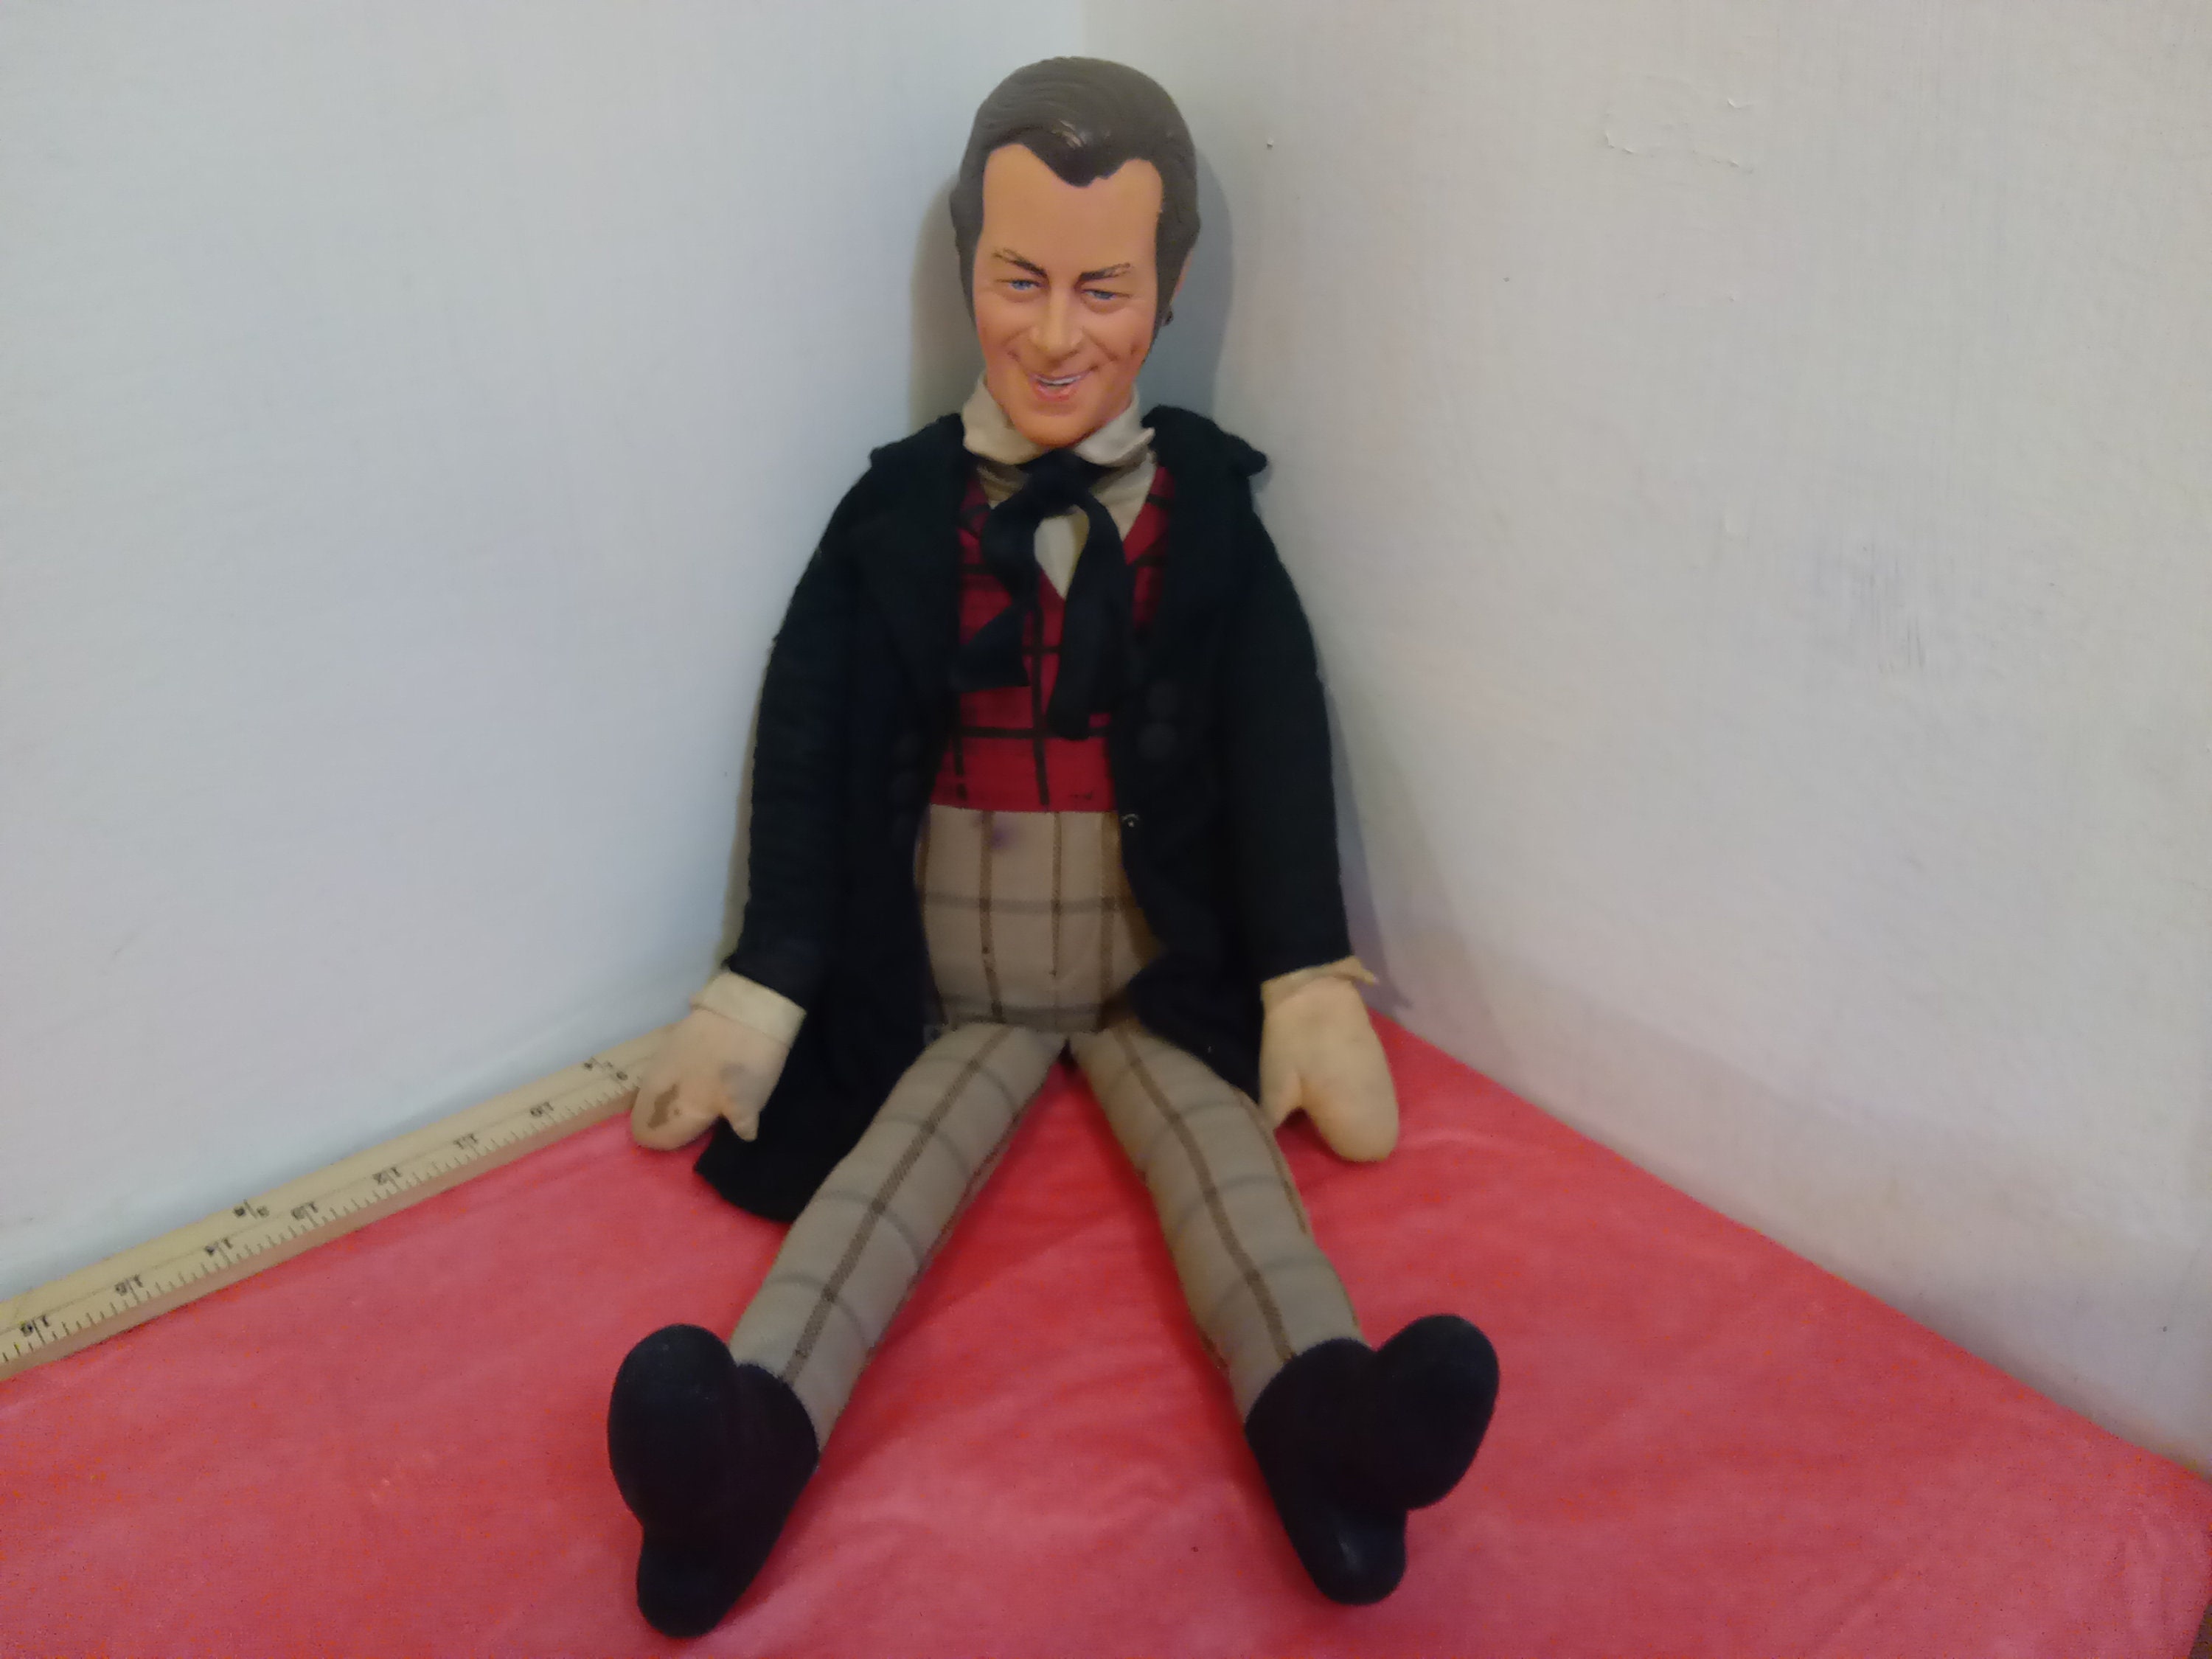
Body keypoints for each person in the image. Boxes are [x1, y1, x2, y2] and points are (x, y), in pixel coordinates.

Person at [605, 57, 1499, 1638]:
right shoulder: (894, 516)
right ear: (968, 269)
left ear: (1169, 291)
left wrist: (1303, 974)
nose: (1058, 333)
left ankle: (1333, 1427)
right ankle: (741, 1448)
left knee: (1232, 1174)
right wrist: (765, 982)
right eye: (1020, 279)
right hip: (953, 989)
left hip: (1161, 972)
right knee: (878, 1182)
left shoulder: (1207, 515)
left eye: (1105, 288)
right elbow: (810, 747)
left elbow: (1276, 742)